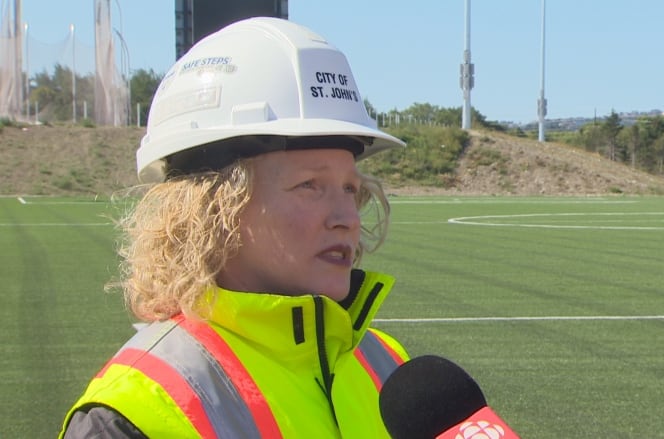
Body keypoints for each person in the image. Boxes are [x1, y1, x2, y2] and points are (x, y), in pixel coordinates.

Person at [60, 16, 408, 438]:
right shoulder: (133, 412)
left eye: (351, 189)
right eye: (310, 186)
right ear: (214, 208)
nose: (347, 218)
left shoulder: (388, 367)